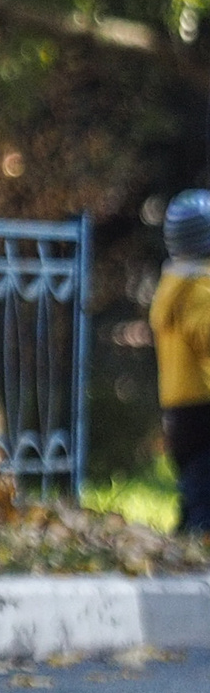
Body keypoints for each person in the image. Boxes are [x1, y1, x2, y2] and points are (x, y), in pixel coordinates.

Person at [153, 190, 210, 535]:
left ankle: (184, 538)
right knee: (204, 489)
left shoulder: (170, 284)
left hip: (177, 405)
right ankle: (196, 541)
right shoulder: (200, 288)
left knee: (195, 483)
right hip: (205, 402)